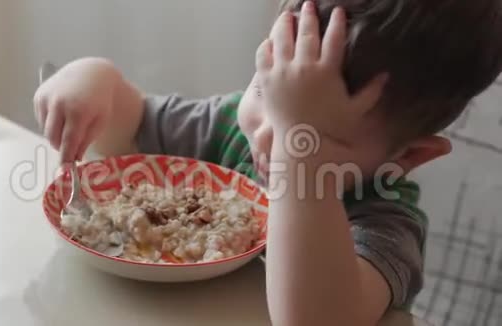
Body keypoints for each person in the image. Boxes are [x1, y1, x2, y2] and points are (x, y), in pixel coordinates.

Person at [33, 0, 502, 325]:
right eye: (265, 91)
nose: (268, 138)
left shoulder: (385, 227)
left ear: (409, 157)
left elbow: (314, 319)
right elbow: (128, 129)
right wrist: (95, 81)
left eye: (316, 135)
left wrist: (301, 166)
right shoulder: (228, 130)